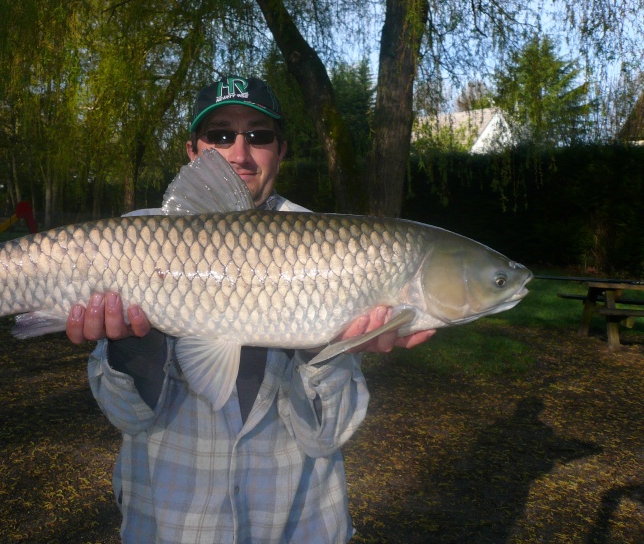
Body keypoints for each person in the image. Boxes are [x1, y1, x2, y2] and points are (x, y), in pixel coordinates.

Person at [66, 75, 435, 542]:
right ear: (193, 151)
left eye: (258, 136)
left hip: (298, 522)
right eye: (220, 135)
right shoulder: (135, 240)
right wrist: (130, 350)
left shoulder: (335, 249)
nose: (239, 153)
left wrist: (330, 350)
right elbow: (128, 417)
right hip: (169, 524)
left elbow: (327, 436)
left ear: (280, 150)